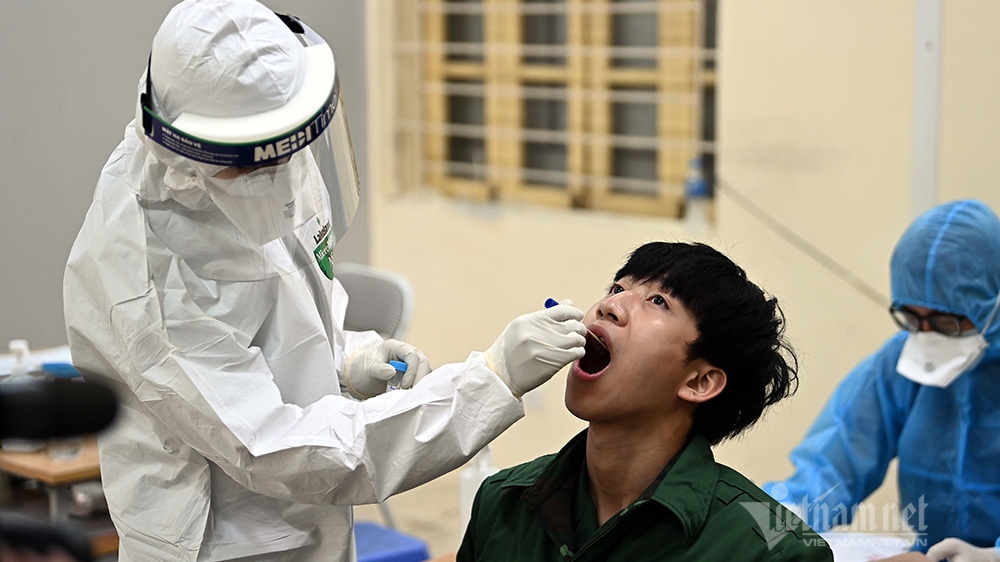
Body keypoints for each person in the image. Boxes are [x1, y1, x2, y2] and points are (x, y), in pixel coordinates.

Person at [61, 1, 588, 560]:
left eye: (294, 151)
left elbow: (290, 303)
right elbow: (275, 450)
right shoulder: (146, 273)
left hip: (314, 516)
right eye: (262, 166)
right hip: (223, 538)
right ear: (196, 151)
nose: (289, 177)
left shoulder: (270, 148)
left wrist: (346, 360)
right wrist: (487, 382)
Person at [457, 241, 834, 561]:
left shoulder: (772, 550)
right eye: (617, 288)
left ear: (700, 381)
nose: (610, 306)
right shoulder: (502, 503)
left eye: (657, 301)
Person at [761, 199, 1000, 561]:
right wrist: (775, 526)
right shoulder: (901, 363)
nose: (926, 335)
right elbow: (832, 465)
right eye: (911, 317)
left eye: (947, 321)